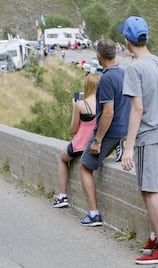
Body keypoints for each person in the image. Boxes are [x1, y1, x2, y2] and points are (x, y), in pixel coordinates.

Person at [119, 16, 158, 265]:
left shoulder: (134, 68)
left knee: (148, 190)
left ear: (127, 40)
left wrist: (129, 146)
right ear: (146, 37)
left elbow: (137, 109)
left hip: (148, 137)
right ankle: (155, 237)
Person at [79, 38, 130, 226]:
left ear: (99, 57)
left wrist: (98, 140)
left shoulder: (106, 79)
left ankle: (93, 213)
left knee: (85, 166)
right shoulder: (124, 74)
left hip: (109, 132)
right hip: (124, 129)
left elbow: (108, 112)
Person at [53, 73, 100, 208]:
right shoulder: (103, 105)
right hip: (94, 145)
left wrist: (74, 106)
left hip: (79, 145)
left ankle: (62, 196)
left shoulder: (80, 104)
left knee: (62, 159)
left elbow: (73, 128)